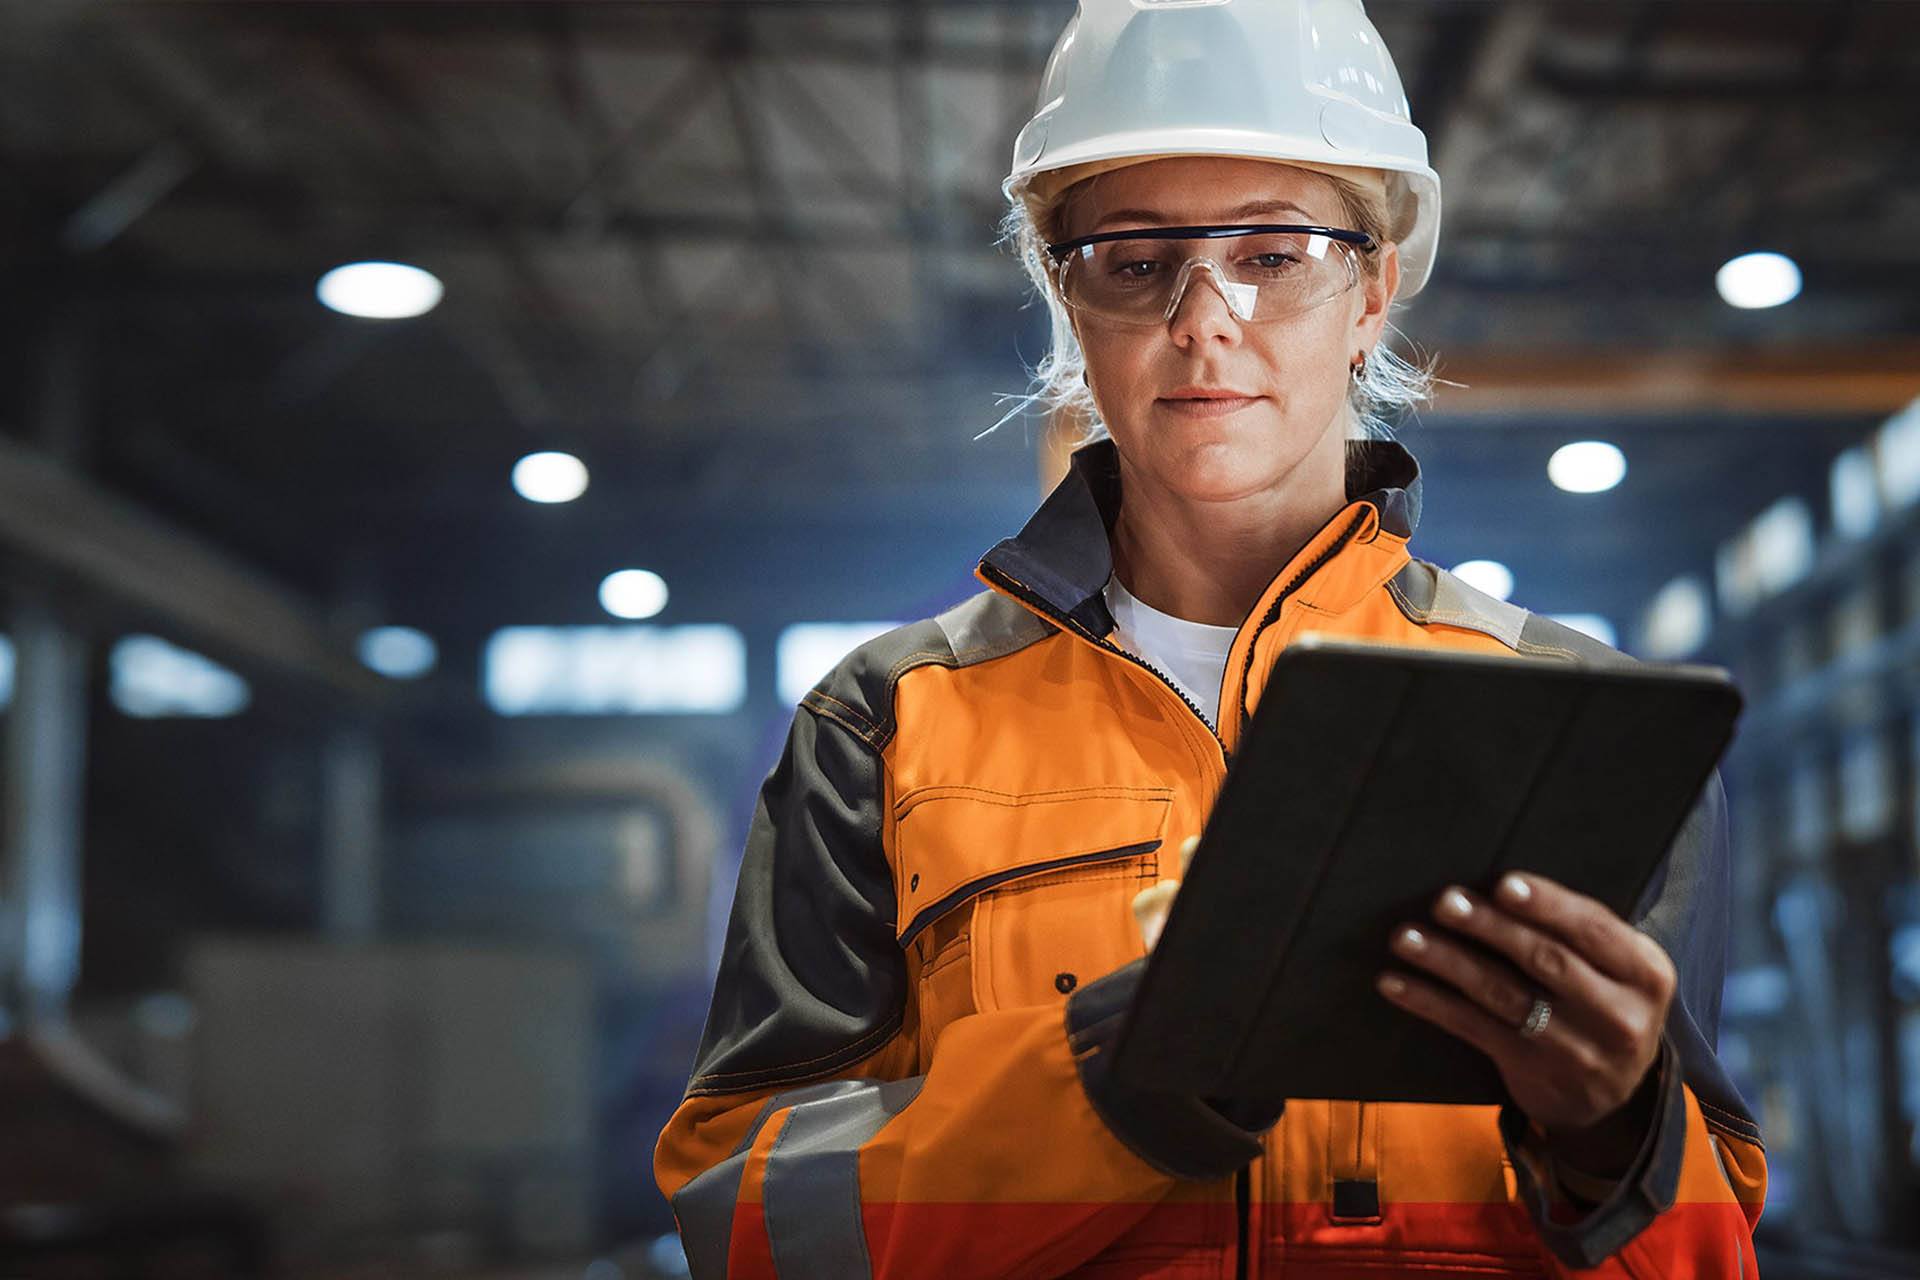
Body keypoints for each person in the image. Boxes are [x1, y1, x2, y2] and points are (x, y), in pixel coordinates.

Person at [654, 2, 1767, 1275]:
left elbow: (1713, 1250)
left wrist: (1612, 1133)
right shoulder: (887, 722)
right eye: (1136, 262)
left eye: (1276, 253)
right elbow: (749, 1224)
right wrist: (1102, 1089)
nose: (1203, 318)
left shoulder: (1577, 720)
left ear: (1374, 288)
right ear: (1068, 300)